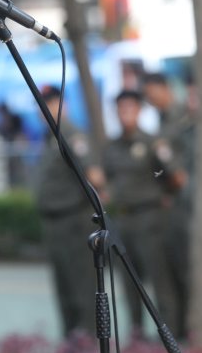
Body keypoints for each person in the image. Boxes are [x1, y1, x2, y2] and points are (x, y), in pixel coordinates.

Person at [99, 90, 184, 333]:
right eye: (121, 108)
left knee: (160, 280)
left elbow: (176, 178)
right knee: (129, 282)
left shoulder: (153, 143)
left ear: (139, 110)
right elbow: (107, 181)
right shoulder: (111, 148)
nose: (125, 113)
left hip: (151, 218)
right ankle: (137, 336)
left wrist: (165, 197)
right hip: (124, 219)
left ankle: (171, 333)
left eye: (130, 107)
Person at [34, 86, 96, 336]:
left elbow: (93, 178)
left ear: (63, 105)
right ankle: (72, 338)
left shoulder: (72, 136)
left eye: (52, 102)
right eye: (43, 104)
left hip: (73, 220)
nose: (47, 108)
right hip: (55, 223)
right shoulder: (50, 137)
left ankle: (88, 339)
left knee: (81, 283)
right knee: (64, 286)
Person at [142, 72, 191, 338]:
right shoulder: (161, 120)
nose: (151, 100)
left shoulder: (181, 117)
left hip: (185, 204)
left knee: (185, 271)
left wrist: (165, 159)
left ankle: (192, 327)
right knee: (171, 271)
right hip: (169, 204)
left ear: (165, 88)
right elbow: (158, 170)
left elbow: (181, 169)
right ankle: (180, 328)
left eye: (152, 94)